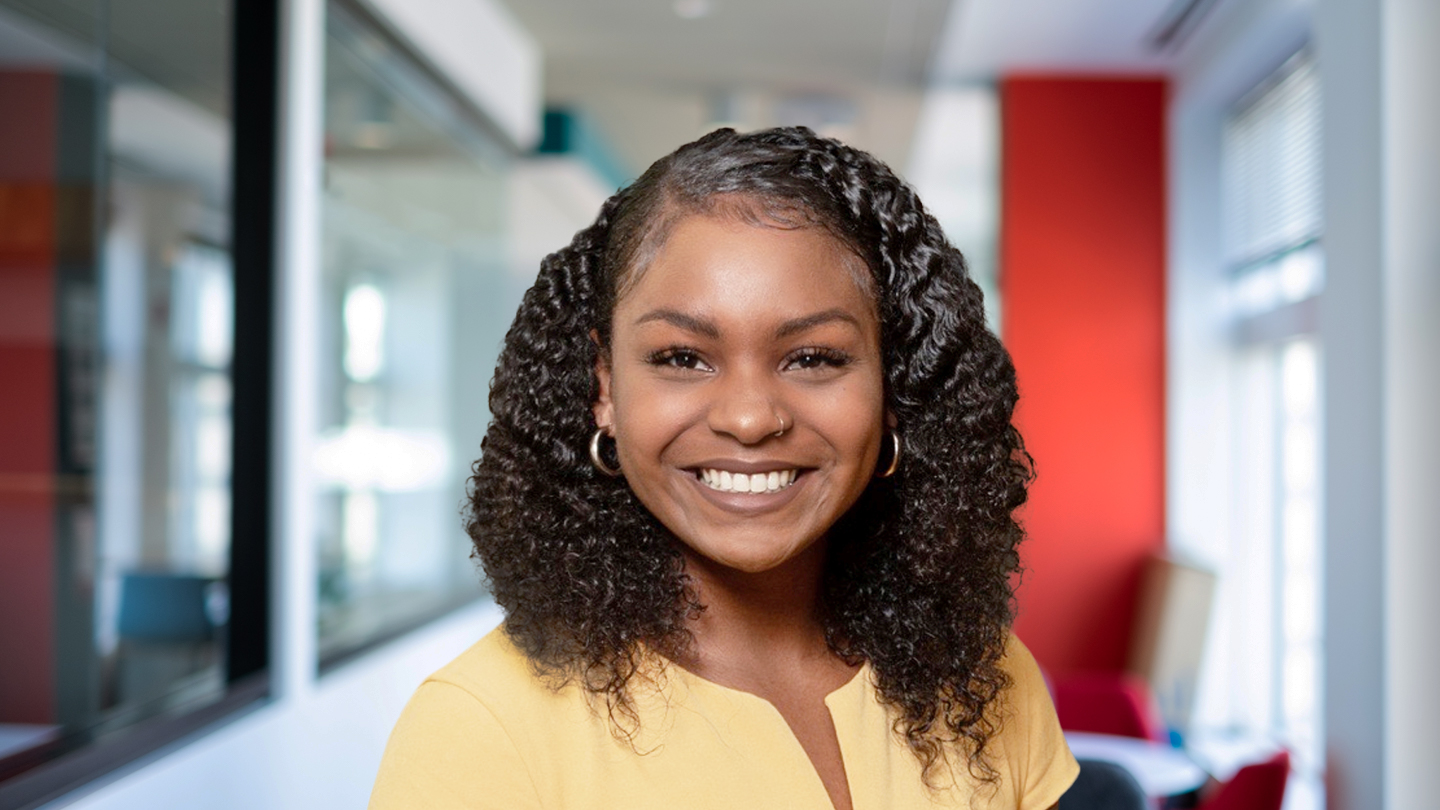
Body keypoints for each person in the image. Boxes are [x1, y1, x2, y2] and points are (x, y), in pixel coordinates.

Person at [369, 126, 1078, 810]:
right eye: (682, 358)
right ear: (604, 388)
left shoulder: (987, 676)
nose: (748, 417)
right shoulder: (483, 729)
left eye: (814, 357)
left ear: (894, 386)